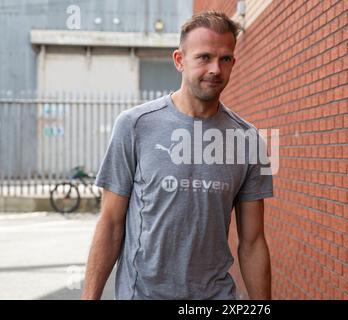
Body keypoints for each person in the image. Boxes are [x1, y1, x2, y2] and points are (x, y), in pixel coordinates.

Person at [82, 11, 273, 300]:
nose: (215, 69)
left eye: (225, 59)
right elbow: (110, 225)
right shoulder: (135, 125)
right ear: (179, 61)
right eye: (204, 57)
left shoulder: (249, 141)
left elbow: (253, 241)